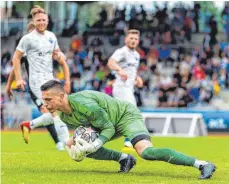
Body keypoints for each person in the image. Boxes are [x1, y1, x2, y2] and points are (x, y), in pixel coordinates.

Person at [41, 80, 216, 179]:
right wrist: (74, 146)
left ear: (62, 96)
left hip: (125, 116)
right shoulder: (64, 115)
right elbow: (90, 128)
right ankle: (125, 159)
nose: (45, 104)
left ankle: (202, 164)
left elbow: (107, 128)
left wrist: (94, 144)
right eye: (44, 100)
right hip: (105, 121)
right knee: (76, 143)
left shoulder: (84, 104)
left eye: (48, 99)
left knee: (146, 152)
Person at [11, 5, 70, 150]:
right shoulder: (28, 39)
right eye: (38, 20)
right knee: (54, 111)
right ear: (34, 21)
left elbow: (58, 55)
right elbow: (16, 58)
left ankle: (29, 125)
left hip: (50, 78)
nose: (41, 22)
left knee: (62, 108)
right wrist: (18, 78)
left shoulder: (51, 36)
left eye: (44, 20)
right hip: (37, 81)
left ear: (48, 20)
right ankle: (67, 143)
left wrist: (60, 56)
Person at [107, 29, 143, 148]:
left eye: (135, 39)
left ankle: (93, 135)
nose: (133, 41)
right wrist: (119, 70)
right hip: (121, 87)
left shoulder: (136, 55)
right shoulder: (121, 51)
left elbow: (132, 70)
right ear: (126, 39)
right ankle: (129, 141)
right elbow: (111, 62)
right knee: (132, 110)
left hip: (129, 88)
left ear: (138, 41)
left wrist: (137, 78)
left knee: (118, 116)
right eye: (131, 38)